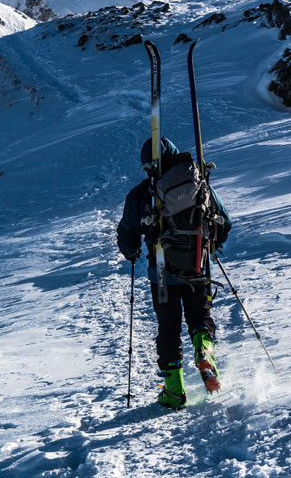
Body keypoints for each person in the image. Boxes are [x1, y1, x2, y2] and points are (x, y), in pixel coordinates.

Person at [116, 137, 232, 409]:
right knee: (200, 317)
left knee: (168, 330)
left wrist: (132, 252)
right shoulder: (199, 184)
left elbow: (127, 239)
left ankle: (174, 391)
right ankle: (204, 351)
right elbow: (225, 221)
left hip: (162, 275)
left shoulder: (141, 194)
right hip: (197, 267)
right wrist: (209, 246)